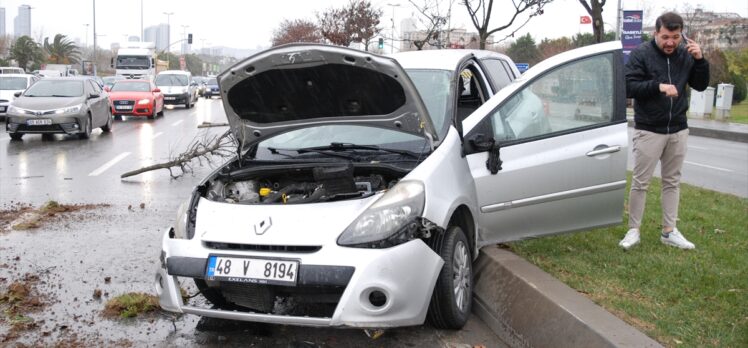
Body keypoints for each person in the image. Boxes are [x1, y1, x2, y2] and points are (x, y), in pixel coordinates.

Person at [619, 11, 710, 250]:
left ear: (682, 35)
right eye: (666, 36)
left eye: (676, 37)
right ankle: (633, 230)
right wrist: (658, 86)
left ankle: (669, 231)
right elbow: (628, 86)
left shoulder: (685, 54)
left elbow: (700, 85)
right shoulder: (641, 54)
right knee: (641, 182)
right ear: (656, 33)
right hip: (649, 129)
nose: (670, 42)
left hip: (678, 128)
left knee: (672, 182)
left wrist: (700, 60)